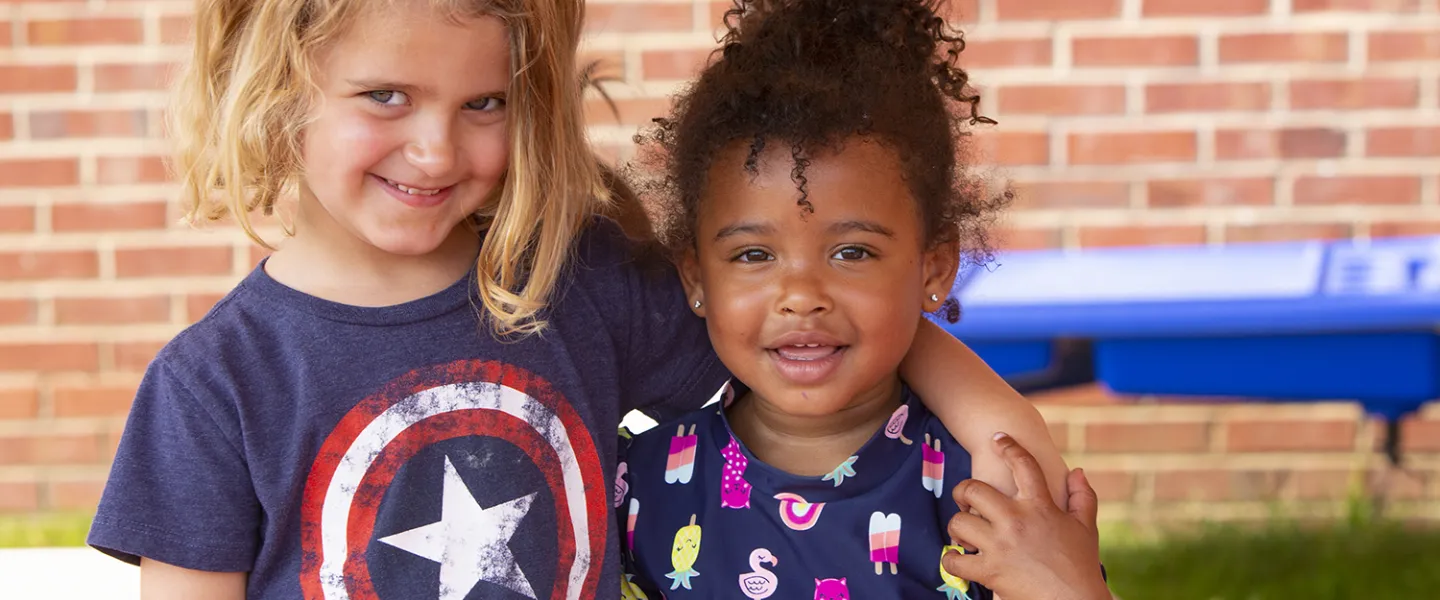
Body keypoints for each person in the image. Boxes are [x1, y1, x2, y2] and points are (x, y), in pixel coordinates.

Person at [86, 0, 1073, 598]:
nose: (436, 150)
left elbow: (811, 327)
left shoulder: (573, 281)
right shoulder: (211, 384)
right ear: (274, 85)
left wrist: (1001, 441)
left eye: (485, 104)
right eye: (385, 95)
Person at [616, 0, 1109, 598]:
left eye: (852, 253)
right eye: (753, 255)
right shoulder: (641, 483)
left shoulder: (980, 490)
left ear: (934, 265)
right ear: (695, 277)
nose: (800, 296)